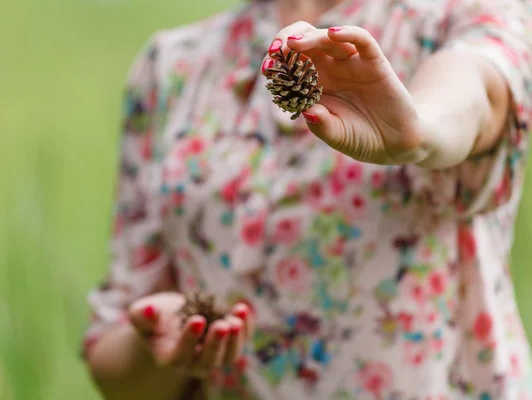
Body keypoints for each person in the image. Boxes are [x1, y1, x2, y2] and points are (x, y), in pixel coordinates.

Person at [82, 0, 532, 398]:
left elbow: (478, 92)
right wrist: (161, 341)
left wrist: (418, 129)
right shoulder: (172, 66)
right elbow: (115, 374)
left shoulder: (463, 16)